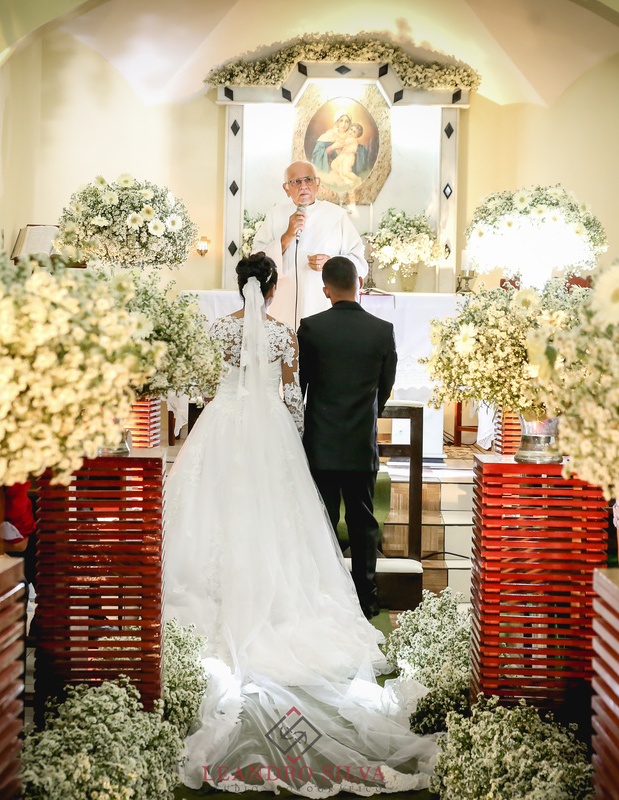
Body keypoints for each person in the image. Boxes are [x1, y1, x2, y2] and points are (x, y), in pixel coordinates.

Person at [162, 254, 433, 796]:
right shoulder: (295, 333)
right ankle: (352, 592)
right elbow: (298, 392)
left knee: (217, 507)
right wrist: (284, 435)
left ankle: (219, 592)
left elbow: (206, 384)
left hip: (225, 423)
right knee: (314, 519)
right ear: (275, 284)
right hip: (305, 432)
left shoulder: (231, 330)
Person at [298, 257, 397, 619]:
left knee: (321, 519)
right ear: (359, 282)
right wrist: (367, 416)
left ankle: (323, 592)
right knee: (363, 521)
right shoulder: (382, 330)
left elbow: (301, 386)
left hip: (320, 443)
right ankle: (367, 597)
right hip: (359, 442)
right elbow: (384, 389)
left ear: (326, 290)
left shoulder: (311, 328)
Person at [252, 161, 368, 329]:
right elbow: (256, 261)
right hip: (283, 304)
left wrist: (331, 263)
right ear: (286, 188)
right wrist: (287, 236)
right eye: (296, 181)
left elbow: (359, 261)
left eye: (308, 180)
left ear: (318, 183)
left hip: (323, 305)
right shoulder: (275, 215)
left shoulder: (336, 216)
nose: (303, 186)